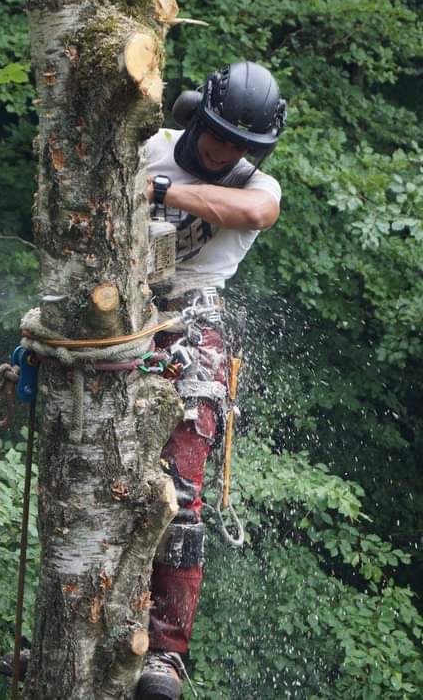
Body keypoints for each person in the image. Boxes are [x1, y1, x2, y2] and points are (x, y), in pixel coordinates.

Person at [136, 61, 287, 700]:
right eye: (219, 135)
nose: (224, 150)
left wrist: (163, 193)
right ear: (198, 115)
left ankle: (166, 653)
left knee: (181, 496)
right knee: (91, 471)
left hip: (194, 317)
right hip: (123, 305)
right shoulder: (154, 147)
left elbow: (255, 213)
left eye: (240, 145)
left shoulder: (259, 186)